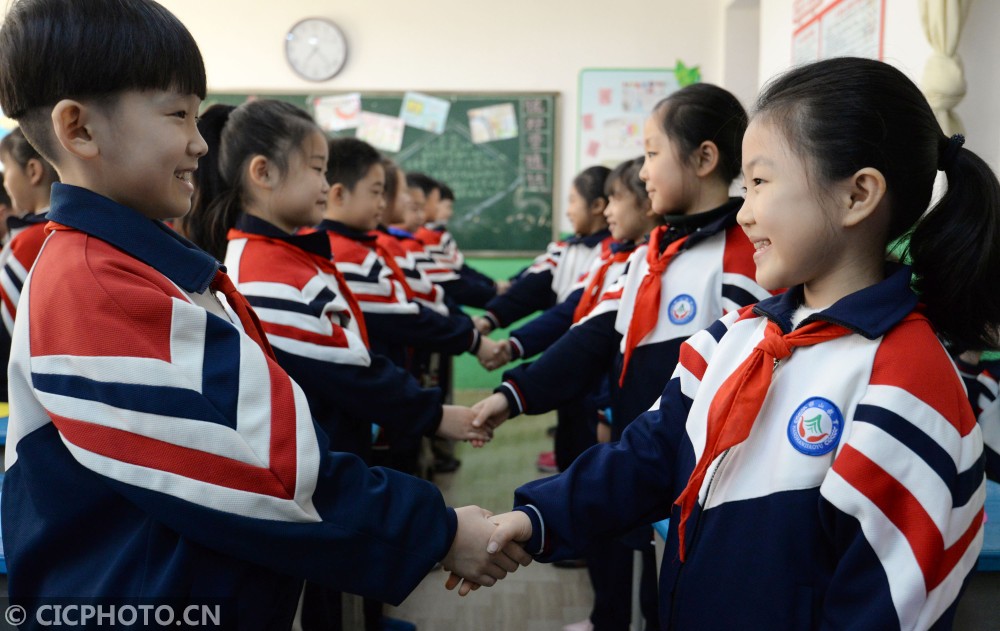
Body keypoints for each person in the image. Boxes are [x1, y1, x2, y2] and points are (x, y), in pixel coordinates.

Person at [0, 2, 528, 629]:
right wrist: (438, 531)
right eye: (177, 115)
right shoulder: (99, 284)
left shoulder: (131, 265)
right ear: (79, 130)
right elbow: (271, 469)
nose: (199, 142)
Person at [477, 57, 995, 630]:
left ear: (858, 196)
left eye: (760, 184)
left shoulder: (909, 391)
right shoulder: (735, 336)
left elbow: (889, 610)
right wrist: (535, 517)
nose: (743, 213)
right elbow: (648, 456)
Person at [471, 83, 773, 631]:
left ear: (704, 159)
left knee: (677, 597)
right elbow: (591, 336)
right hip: (647, 457)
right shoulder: (651, 254)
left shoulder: (744, 260)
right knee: (651, 575)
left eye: (654, 154)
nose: (644, 172)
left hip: (701, 476)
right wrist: (513, 395)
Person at [316, 137, 503, 474]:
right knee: (388, 468)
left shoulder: (366, 245)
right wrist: (473, 339)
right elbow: (406, 315)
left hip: (393, 381)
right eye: (379, 191)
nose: (390, 201)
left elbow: (422, 298)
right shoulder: (346, 249)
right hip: (374, 390)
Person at [474, 165, 613, 336]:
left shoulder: (611, 253)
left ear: (597, 206)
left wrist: (515, 344)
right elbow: (532, 285)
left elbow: (570, 310)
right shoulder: (566, 248)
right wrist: (491, 318)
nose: (568, 211)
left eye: (572, 201)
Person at [0, 126, 59, 406]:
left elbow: (7, 331)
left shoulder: (30, 240)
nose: (6, 181)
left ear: (33, 171)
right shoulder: (76, 229)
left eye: (7, 168)